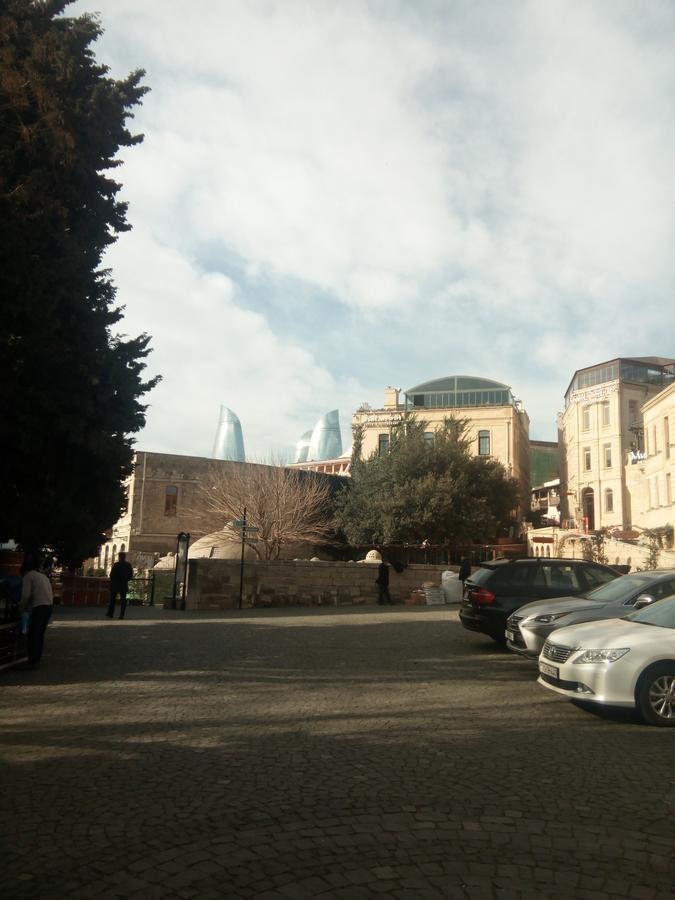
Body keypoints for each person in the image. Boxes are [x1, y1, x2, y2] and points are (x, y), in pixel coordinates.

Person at [19, 558, 54, 668]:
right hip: (49, 606)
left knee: (33, 634)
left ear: (23, 571)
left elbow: (25, 595)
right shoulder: (42, 576)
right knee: (40, 633)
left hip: (39, 607)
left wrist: (21, 609)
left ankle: (32, 661)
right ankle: (37, 657)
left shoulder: (28, 576)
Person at [106, 552, 134, 619]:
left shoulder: (116, 565)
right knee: (123, 601)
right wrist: (126, 579)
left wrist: (114, 580)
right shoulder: (128, 565)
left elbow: (111, 575)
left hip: (115, 584)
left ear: (119, 557)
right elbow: (131, 575)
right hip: (123, 584)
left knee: (112, 600)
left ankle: (110, 613)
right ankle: (122, 615)